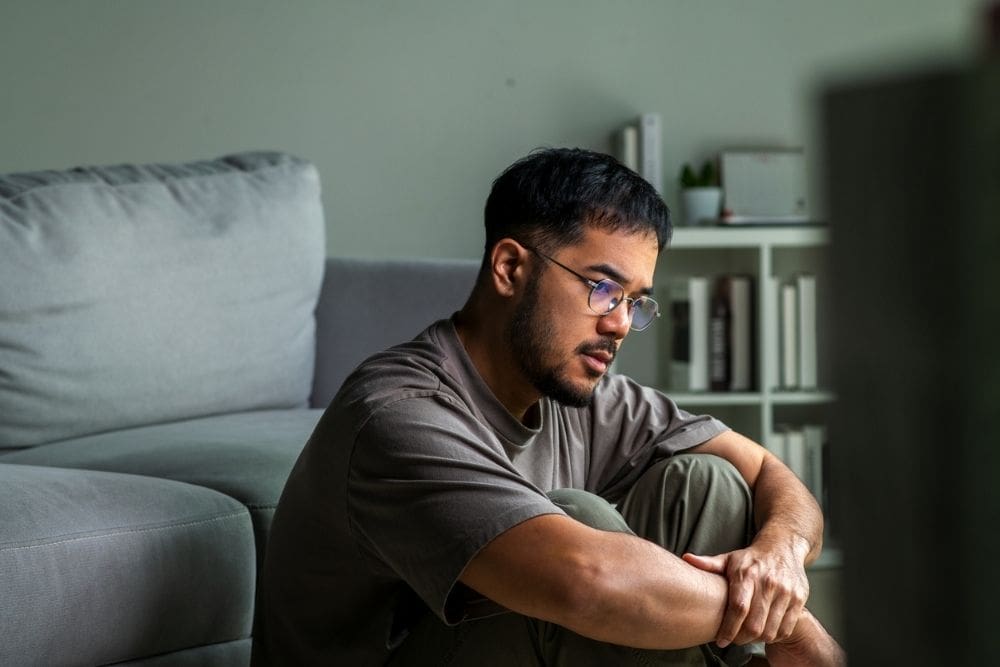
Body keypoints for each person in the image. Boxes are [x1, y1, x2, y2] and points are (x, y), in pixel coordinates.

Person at [252, 147, 845, 666]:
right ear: (510, 267)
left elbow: (767, 471)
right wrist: (788, 624)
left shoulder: (578, 389)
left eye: (635, 302)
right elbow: (587, 581)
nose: (620, 324)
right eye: (603, 289)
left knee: (709, 484)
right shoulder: (398, 413)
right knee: (582, 527)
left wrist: (780, 556)